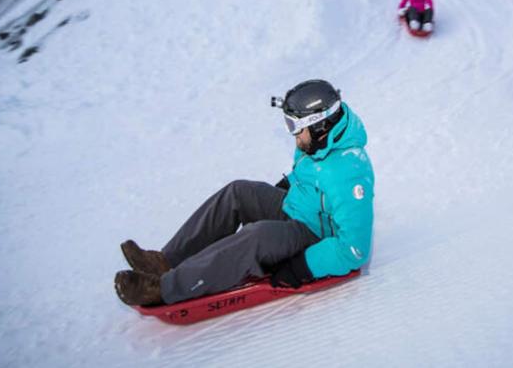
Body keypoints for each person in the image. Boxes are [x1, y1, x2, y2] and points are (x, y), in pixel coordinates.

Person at [114, 79, 375, 306]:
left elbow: (354, 249)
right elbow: (310, 174)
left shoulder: (349, 173)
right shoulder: (321, 142)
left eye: (296, 127)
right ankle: (165, 262)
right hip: (297, 208)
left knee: (257, 236)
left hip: (315, 236)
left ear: (320, 125)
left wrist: (303, 266)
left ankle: (165, 288)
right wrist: (286, 186)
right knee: (239, 192)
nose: (293, 134)